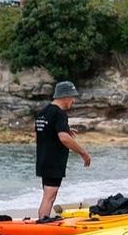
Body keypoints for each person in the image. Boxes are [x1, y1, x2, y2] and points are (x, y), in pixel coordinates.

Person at [33, 80, 91, 222]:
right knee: (49, 197)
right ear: (65, 97)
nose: (73, 100)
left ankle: (43, 221)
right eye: (72, 97)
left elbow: (38, 135)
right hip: (54, 161)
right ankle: (42, 225)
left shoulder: (42, 112)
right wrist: (83, 153)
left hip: (43, 159)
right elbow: (64, 138)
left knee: (48, 195)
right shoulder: (60, 114)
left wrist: (64, 129)